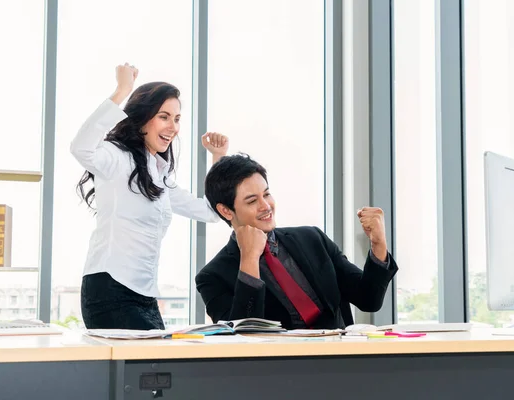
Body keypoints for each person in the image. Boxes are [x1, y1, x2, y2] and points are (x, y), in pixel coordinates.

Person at [71, 63, 228, 330]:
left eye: (177, 119)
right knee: (146, 368)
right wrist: (122, 91)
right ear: (143, 117)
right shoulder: (115, 157)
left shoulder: (159, 175)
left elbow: (210, 211)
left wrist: (218, 158)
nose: (173, 127)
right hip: (110, 289)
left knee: (156, 367)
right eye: (164, 117)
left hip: (145, 296)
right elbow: (81, 148)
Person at [196, 154, 398, 329]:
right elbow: (241, 337)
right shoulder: (212, 276)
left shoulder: (313, 239)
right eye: (252, 201)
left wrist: (378, 243)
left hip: (337, 361)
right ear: (225, 210)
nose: (266, 206)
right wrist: (249, 258)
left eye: (266, 194)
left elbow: (369, 299)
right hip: (277, 369)